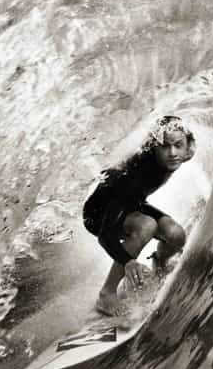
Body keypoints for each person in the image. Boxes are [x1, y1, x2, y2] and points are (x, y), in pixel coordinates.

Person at [83, 115, 194, 315]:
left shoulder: (181, 156)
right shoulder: (135, 174)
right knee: (146, 226)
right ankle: (106, 295)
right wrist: (128, 261)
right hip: (98, 215)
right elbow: (105, 235)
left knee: (176, 235)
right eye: (165, 146)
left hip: (132, 204)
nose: (172, 153)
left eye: (178, 145)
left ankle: (158, 266)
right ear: (154, 147)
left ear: (188, 147)